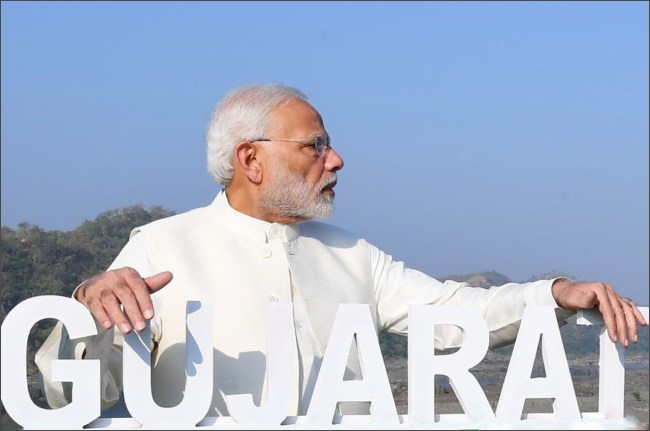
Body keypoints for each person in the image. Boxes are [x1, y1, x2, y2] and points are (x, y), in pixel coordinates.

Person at [35, 83, 646, 418]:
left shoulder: (352, 253)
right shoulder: (161, 246)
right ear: (251, 159)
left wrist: (556, 293)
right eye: (315, 146)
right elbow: (68, 393)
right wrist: (90, 310)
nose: (337, 160)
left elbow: (456, 314)